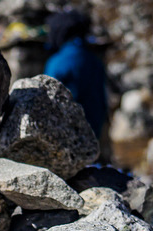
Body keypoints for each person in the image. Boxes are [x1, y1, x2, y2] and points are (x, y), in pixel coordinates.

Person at [44, 9, 109, 147]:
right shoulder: (95, 61)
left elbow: (48, 102)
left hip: (64, 138)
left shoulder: (57, 62)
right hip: (93, 135)